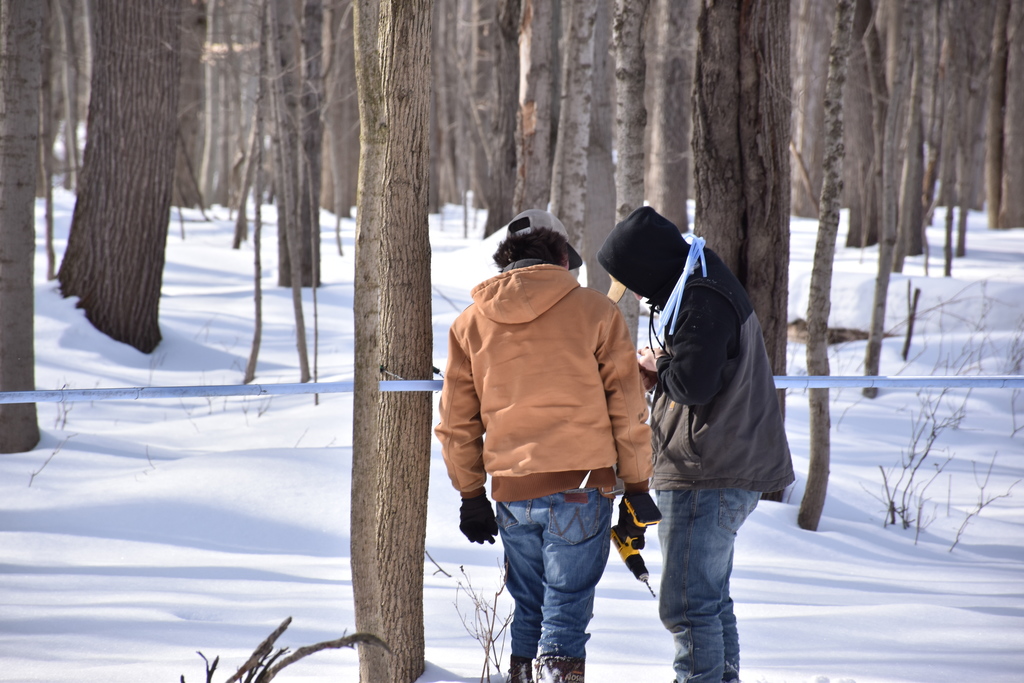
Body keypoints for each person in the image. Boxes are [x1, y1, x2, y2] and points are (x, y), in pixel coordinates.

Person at [434, 209, 656, 683]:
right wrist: (637, 482)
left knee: (529, 606)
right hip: (580, 486)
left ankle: (521, 674)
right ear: (559, 258)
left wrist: (471, 494)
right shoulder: (597, 311)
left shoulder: (470, 324)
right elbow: (628, 406)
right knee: (565, 611)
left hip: (512, 492)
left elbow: (456, 423)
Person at [596, 206, 795, 683]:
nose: (638, 294)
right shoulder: (702, 282)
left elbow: (693, 384)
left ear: (648, 267)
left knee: (686, 605)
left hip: (707, 471)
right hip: (721, 465)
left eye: (634, 281)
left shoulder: (700, 298)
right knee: (710, 599)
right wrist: (665, 363)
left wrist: (659, 361)